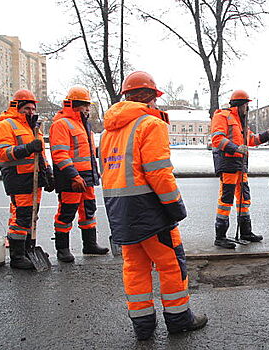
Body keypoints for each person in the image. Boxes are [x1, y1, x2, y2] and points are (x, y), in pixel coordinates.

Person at [100, 71, 208, 339]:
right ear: (148, 97)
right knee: (171, 264)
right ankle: (179, 319)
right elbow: (158, 172)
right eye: (155, 99)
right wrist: (175, 206)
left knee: (135, 269)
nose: (157, 104)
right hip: (150, 211)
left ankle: (143, 327)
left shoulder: (107, 132)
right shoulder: (151, 124)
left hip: (119, 211)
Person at [211, 90, 269, 249]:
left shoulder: (241, 122)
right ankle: (220, 236)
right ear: (239, 105)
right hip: (229, 165)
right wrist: (236, 148)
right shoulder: (222, 116)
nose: (247, 109)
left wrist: (268, 134)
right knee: (226, 201)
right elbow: (217, 139)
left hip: (240, 166)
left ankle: (245, 232)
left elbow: (251, 140)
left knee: (244, 199)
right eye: (245, 105)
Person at [0, 89, 54, 269]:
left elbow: (41, 155)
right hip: (18, 178)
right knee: (22, 217)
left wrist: (48, 173)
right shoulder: (6, 125)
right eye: (27, 108)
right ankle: (17, 256)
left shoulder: (33, 127)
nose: (31, 112)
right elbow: (3, 153)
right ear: (17, 107)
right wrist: (28, 148)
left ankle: (28, 248)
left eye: (33, 109)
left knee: (31, 216)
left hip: (34, 178)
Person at [49, 86, 108, 262]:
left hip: (87, 177)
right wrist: (74, 176)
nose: (88, 109)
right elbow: (60, 154)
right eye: (85, 105)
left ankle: (90, 244)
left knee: (88, 211)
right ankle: (63, 249)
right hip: (72, 178)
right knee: (67, 212)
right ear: (75, 105)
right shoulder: (61, 124)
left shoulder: (83, 125)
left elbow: (87, 152)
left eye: (88, 105)